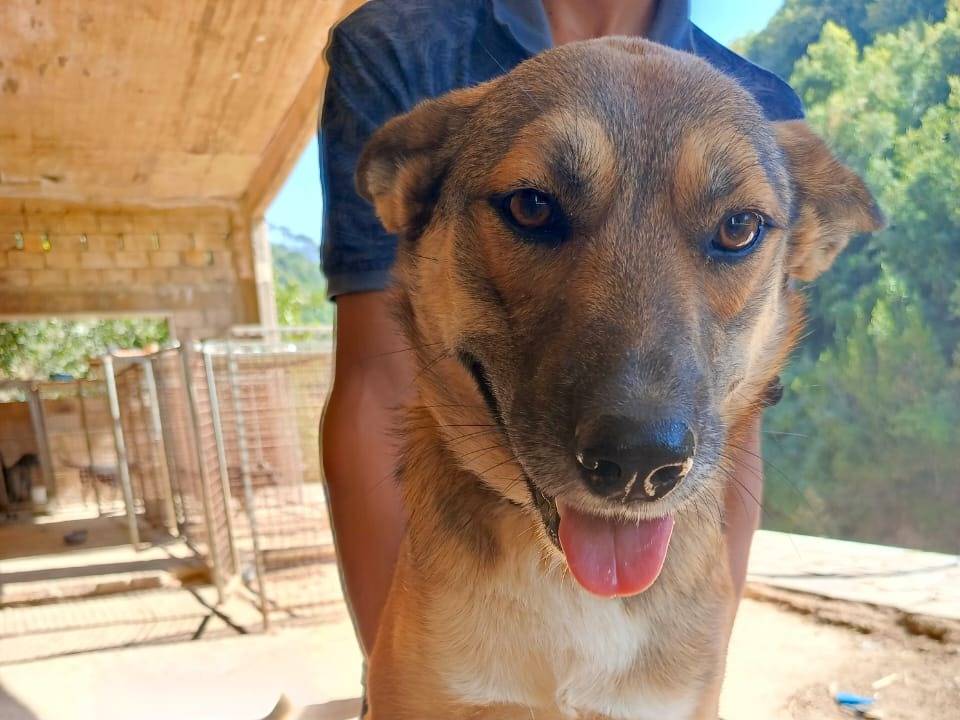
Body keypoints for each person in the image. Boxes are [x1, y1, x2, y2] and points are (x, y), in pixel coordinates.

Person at [320, 0, 798, 662]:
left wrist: (702, 659)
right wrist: (396, 676)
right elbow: (375, 374)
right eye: (534, 207)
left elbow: (742, 407)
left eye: (733, 229)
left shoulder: (763, 103)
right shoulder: (401, 45)